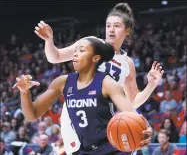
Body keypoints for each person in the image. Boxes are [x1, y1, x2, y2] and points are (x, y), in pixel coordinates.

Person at [34, 3, 164, 154]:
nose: (111, 30)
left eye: (117, 26)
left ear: (127, 30)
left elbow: (132, 100)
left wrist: (151, 85)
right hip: (77, 114)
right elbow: (55, 56)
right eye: (108, 25)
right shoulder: (91, 44)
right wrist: (49, 40)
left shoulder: (127, 63)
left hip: (103, 121)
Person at [13, 37, 153, 155]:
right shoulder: (62, 82)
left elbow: (131, 113)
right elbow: (32, 115)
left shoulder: (107, 83)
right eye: (75, 51)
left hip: (111, 147)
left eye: (81, 50)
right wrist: (24, 92)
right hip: (85, 149)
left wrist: (145, 129)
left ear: (95, 58)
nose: (75, 54)